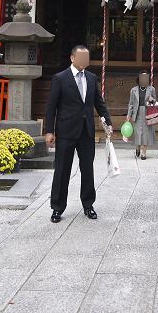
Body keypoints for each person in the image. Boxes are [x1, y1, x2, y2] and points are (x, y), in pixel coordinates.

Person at [44, 45, 112, 223]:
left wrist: (108, 122)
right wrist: (49, 131)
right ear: (72, 58)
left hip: (86, 131)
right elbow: (51, 106)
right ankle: (57, 207)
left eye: (86, 58)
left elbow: (99, 102)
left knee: (88, 170)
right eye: (81, 57)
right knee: (62, 170)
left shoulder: (91, 78)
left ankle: (88, 205)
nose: (84, 61)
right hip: (65, 131)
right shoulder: (60, 78)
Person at [127, 71, 157, 160]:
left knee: (147, 133)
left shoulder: (151, 89)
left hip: (148, 112)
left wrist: (152, 99)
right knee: (137, 132)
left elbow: (155, 102)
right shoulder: (134, 90)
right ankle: (137, 147)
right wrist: (129, 115)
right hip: (137, 112)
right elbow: (131, 103)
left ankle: (144, 153)